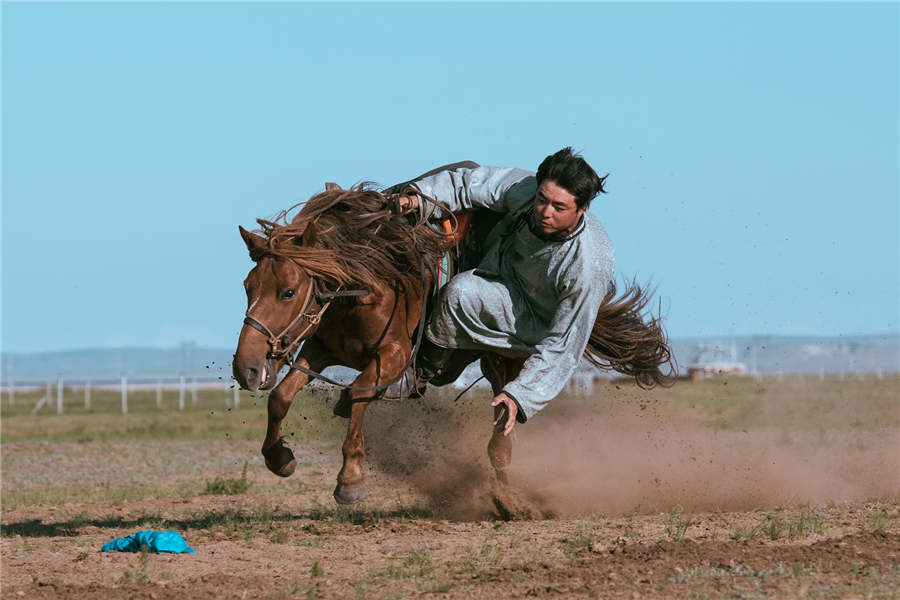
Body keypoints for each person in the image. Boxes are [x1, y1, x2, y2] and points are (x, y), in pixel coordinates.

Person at [385, 147, 615, 436]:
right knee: (458, 282)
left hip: (536, 320)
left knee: (461, 291)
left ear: (582, 210)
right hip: (502, 274)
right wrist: (417, 198)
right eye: (541, 200)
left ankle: (418, 374)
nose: (545, 212)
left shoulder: (587, 263)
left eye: (559, 207)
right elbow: (468, 183)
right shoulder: (527, 189)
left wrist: (520, 394)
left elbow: (564, 342)